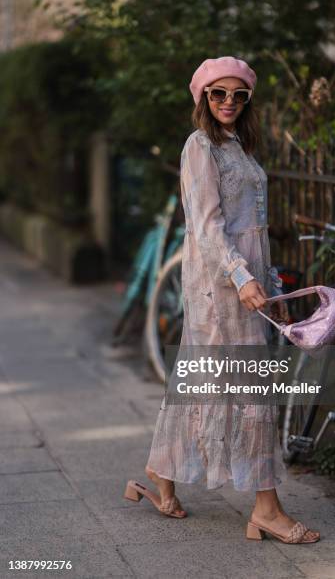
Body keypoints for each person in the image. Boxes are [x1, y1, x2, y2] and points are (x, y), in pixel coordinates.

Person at [124, 56, 320, 544]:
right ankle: (267, 509)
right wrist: (241, 277)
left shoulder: (240, 148)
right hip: (219, 286)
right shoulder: (200, 147)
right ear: (203, 98)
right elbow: (207, 227)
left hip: (246, 284)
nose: (229, 102)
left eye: (238, 95)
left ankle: (160, 474)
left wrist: (270, 284)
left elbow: (253, 228)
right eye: (218, 93)